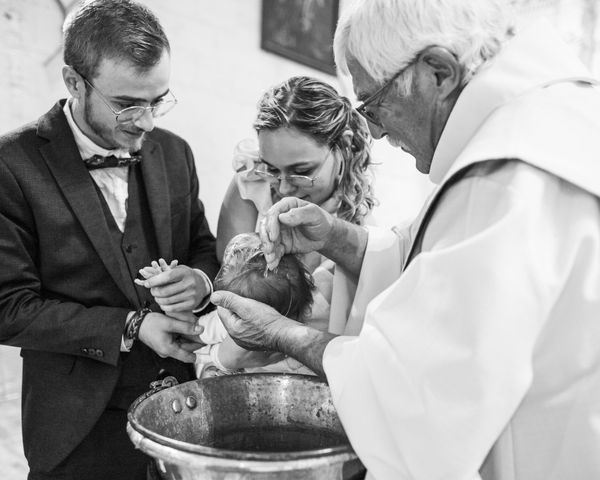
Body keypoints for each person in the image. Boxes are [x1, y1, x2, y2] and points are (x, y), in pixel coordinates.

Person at [211, 1, 600, 479]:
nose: (371, 130)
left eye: (374, 103)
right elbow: (420, 255)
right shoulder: (548, 124)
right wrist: (334, 235)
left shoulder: (508, 174)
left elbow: (416, 393)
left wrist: (278, 332)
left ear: (439, 71)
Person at [0, 1, 219, 478]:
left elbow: (202, 247)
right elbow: (3, 307)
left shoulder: (174, 152)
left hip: (181, 415)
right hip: (75, 424)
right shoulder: (5, 165)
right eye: (127, 104)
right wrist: (131, 326)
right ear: (74, 83)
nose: (146, 121)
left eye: (158, 99)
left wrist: (199, 282)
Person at [215, 75, 376, 336]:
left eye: (301, 171)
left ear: (343, 146)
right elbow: (232, 281)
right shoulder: (252, 183)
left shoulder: (361, 232)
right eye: (273, 169)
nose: (285, 189)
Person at [138, 232, 315, 376]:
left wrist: (219, 358)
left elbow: (191, 334)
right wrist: (172, 292)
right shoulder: (308, 340)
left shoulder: (228, 321)